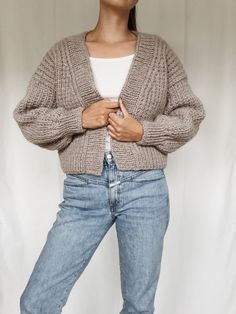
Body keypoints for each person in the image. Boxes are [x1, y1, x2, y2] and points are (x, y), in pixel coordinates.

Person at [13, 0, 206, 313]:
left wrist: (142, 131)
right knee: (37, 302)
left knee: (139, 307)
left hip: (146, 189)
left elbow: (191, 114)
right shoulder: (63, 54)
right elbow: (28, 116)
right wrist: (79, 118)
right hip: (82, 192)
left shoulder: (158, 52)